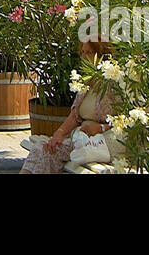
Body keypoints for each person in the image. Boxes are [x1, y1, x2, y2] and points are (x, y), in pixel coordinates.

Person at [21, 39, 120, 174]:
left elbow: (124, 120)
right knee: (43, 148)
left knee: (45, 152)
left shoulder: (113, 84)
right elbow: (75, 116)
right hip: (79, 139)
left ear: (102, 55)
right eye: (82, 52)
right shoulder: (86, 81)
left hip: (100, 143)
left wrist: (101, 127)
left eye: (89, 53)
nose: (84, 57)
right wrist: (59, 134)